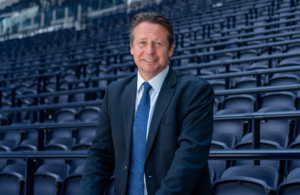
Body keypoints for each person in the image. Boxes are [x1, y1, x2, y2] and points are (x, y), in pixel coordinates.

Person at [79, 12, 215, 195]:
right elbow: (100, 155)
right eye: (142, 42)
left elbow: (188, 160)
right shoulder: (114, 93)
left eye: (158, 43)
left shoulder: (195, 91)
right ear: (132, 48)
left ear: (171, 49)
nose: (149, 51)